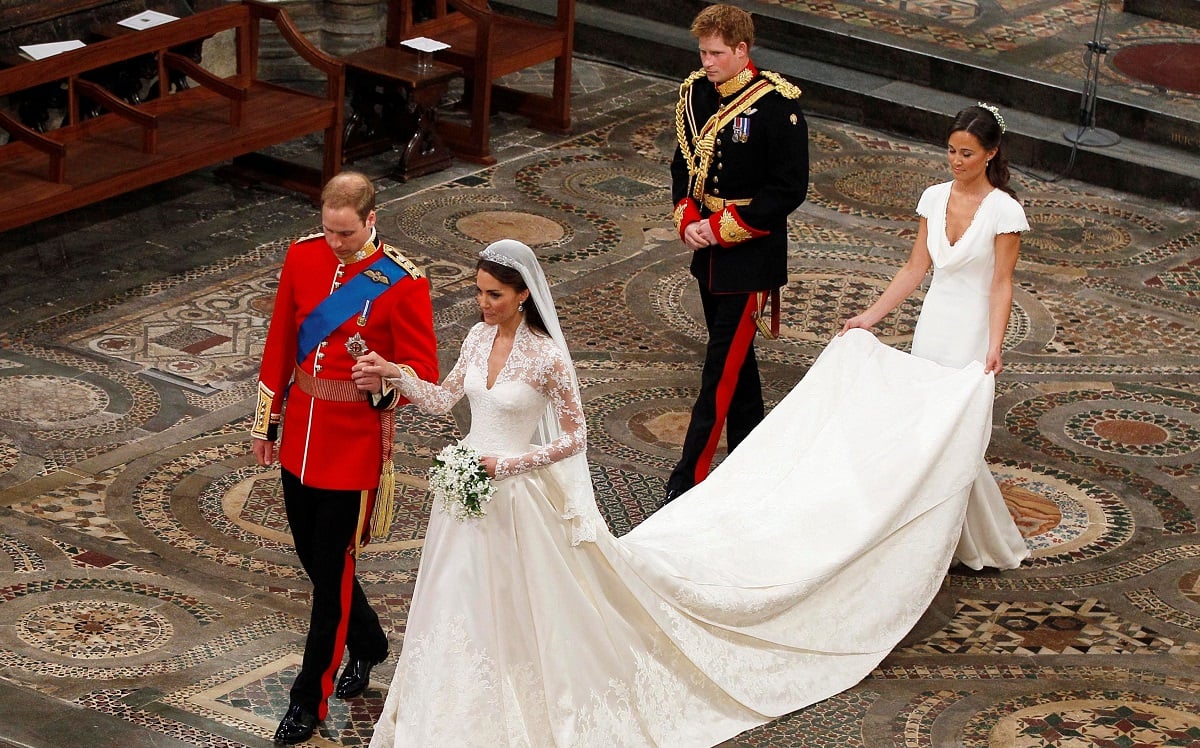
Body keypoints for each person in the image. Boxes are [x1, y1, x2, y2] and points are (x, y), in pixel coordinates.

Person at [356, 239, 999, 746]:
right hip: (465, 497)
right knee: (454, 601)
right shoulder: (473, 339)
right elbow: (445, 401)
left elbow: (573, 440)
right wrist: (396, 374)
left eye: (493, 295)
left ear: (523, 295)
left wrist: (512, 462)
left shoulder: (547, 359)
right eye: (478, 293)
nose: (482, 304)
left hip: (516, 495)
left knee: (524, 603)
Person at [251, 171, 439, 745]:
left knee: (331, 574)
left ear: (371, 219)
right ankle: (371, 641)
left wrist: (384, 377)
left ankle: (309, 699)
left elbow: (423, 375)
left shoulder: (402, 284)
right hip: (303, 432)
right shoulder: (302, 258)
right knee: (314, 558)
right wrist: (268, 422)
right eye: (328, 231)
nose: (336, 243)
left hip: (353, 446)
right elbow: (282, 338)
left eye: (347, 233)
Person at [841, 103, 1031, 570]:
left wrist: (995, 344)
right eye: (951, 150)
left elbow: (1001, 282)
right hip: (935, 324)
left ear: (991, 153)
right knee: (927, 430)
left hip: (971, 330)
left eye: (967, 153)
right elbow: (915, 267)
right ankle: (931, 537)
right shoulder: (932, 197)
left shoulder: (1005, 211)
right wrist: (871, 316)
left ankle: (946, 541)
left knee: (952, 433)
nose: (956, 161)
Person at [664, 4, 810, 504]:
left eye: (717, 53)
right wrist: (687, 218)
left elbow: (789, 188)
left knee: (719, 371)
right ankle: (753, 464)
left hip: (750, 254)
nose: (707, 62)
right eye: (702, 52)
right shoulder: (696, 94)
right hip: (707, 251)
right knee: (739, 370)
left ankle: (688, 483)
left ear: (743, 50)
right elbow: (683, 164)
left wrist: (722, 229)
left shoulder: (776, 106)